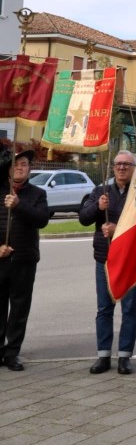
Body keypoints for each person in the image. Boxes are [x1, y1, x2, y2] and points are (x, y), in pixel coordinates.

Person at [79, 150, 136, 375]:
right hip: (104, 259)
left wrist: (118, 230)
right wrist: (98, 207)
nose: (122, 168)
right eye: (118, 164)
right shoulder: (100, 191)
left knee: (129, 308)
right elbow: (84, 218)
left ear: (134, 168)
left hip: (131, 261)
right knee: (104, 308)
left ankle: (125, 356)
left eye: (127, 164)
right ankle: (103, 355)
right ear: (113, 167)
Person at [0, 147, 49, 371]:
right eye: (16, 165)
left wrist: (19, 205)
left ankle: (12, 353)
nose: (20, 168)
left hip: (25, 259)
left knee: (19, 307)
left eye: (25, 165)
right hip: (1, 258)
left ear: (30, 170)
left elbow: (41, 220)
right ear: (8, 169)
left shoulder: (38, 194)